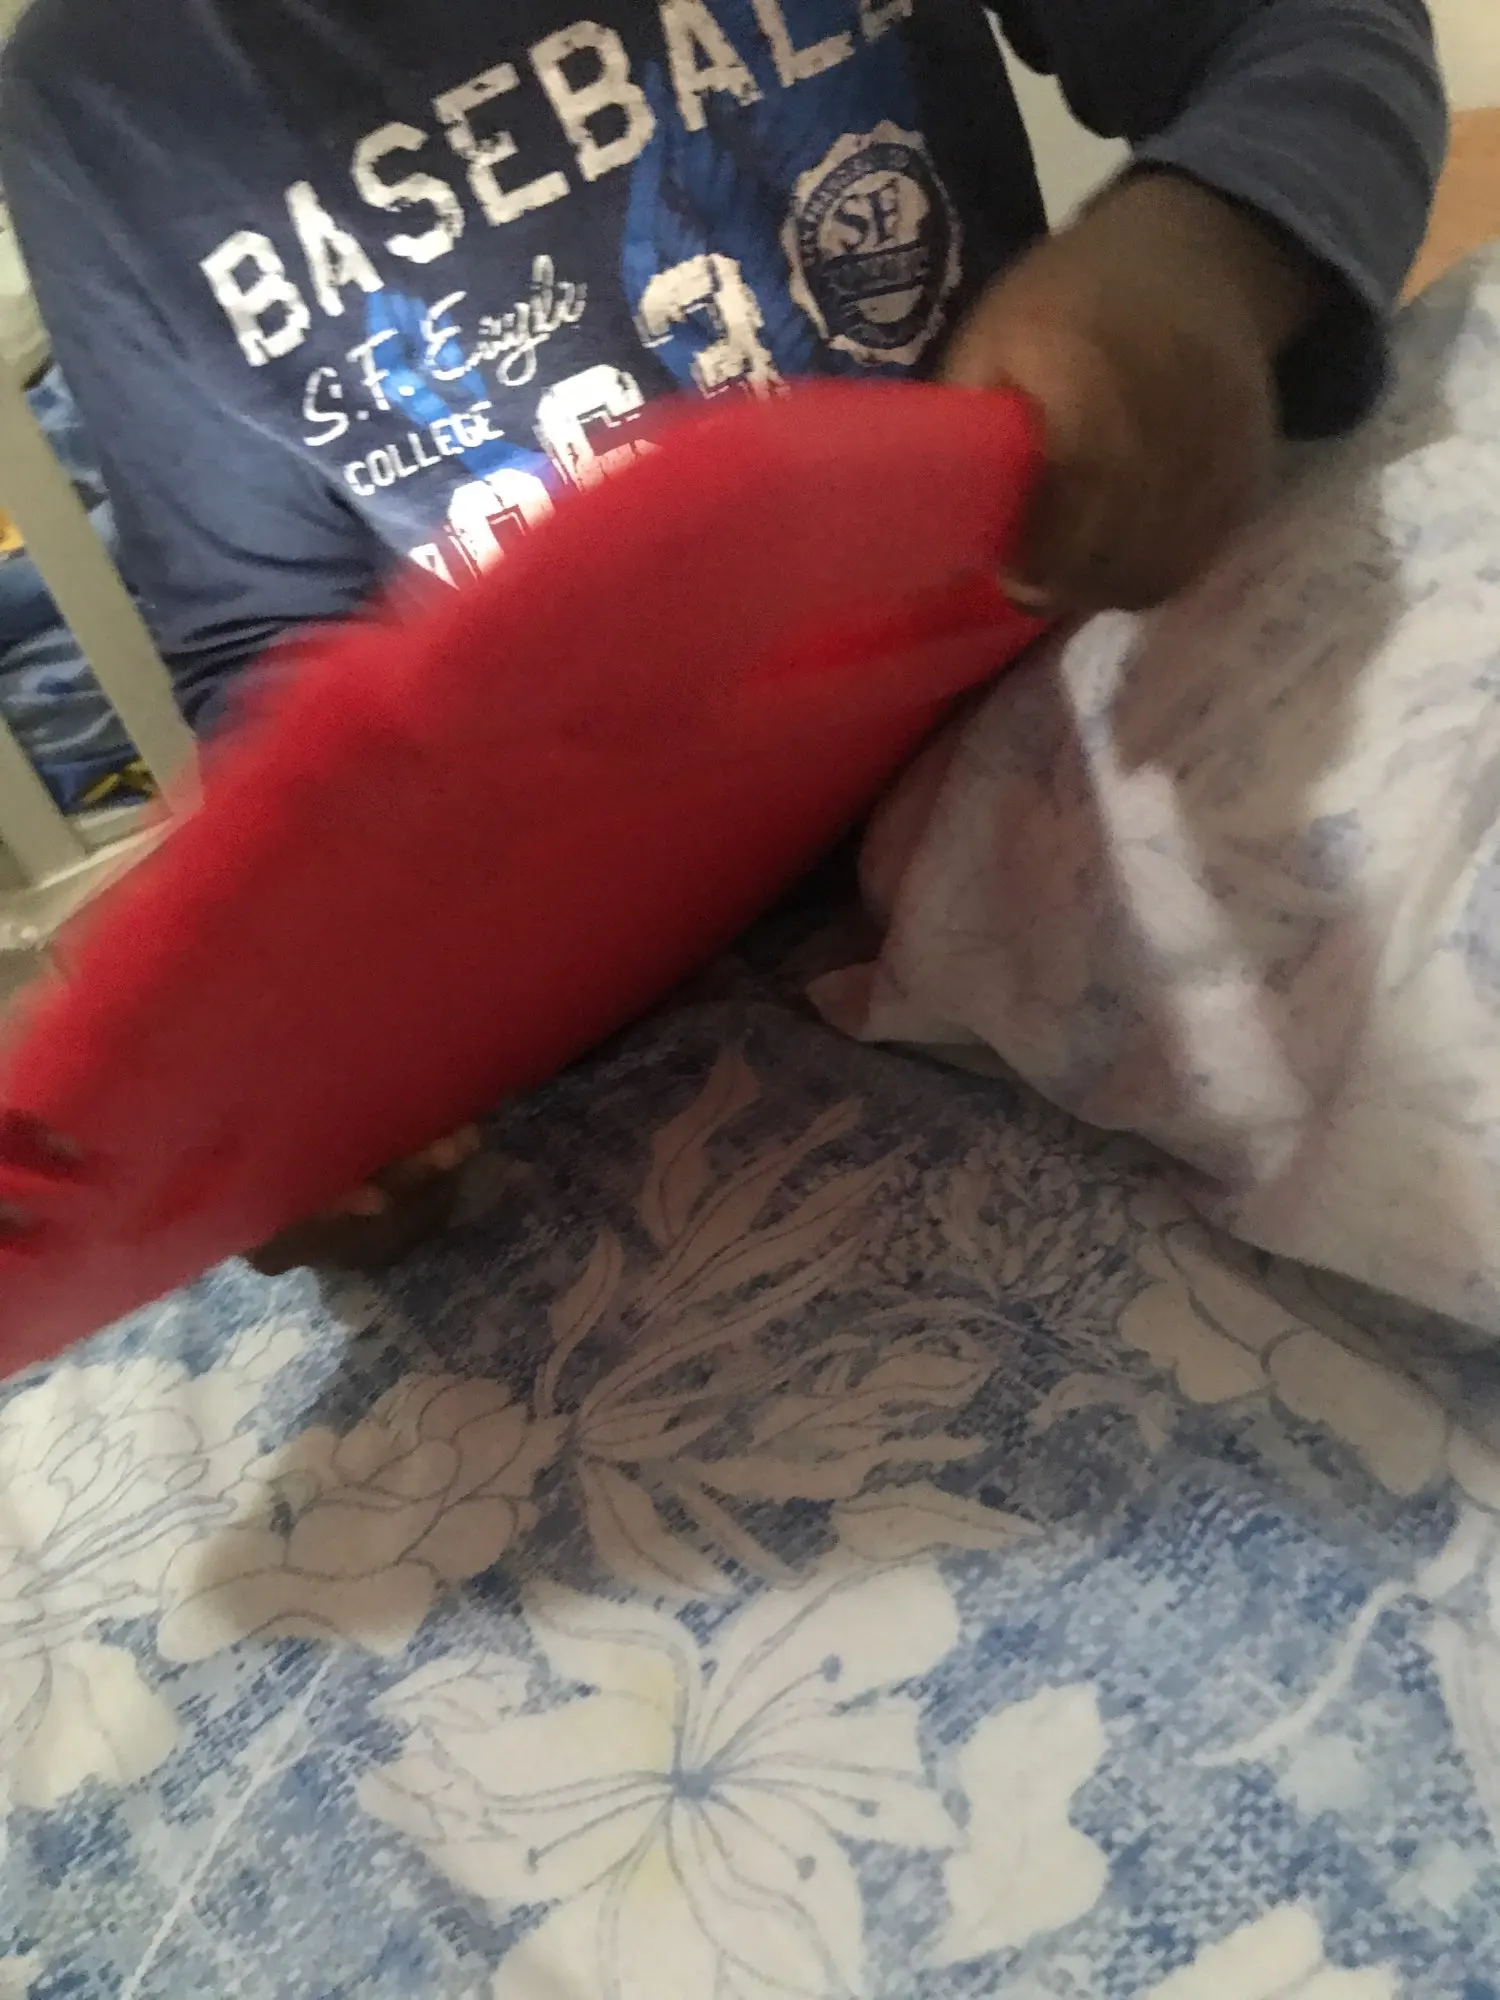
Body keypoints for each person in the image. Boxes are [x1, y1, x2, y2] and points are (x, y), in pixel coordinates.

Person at [0, 0, 1447, 1267]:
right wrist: (320, 1009)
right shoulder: (94, 107)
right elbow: (257, 637)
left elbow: (1303, 28)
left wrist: (1205, 251)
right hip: (621, 950)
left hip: (1066, 701)